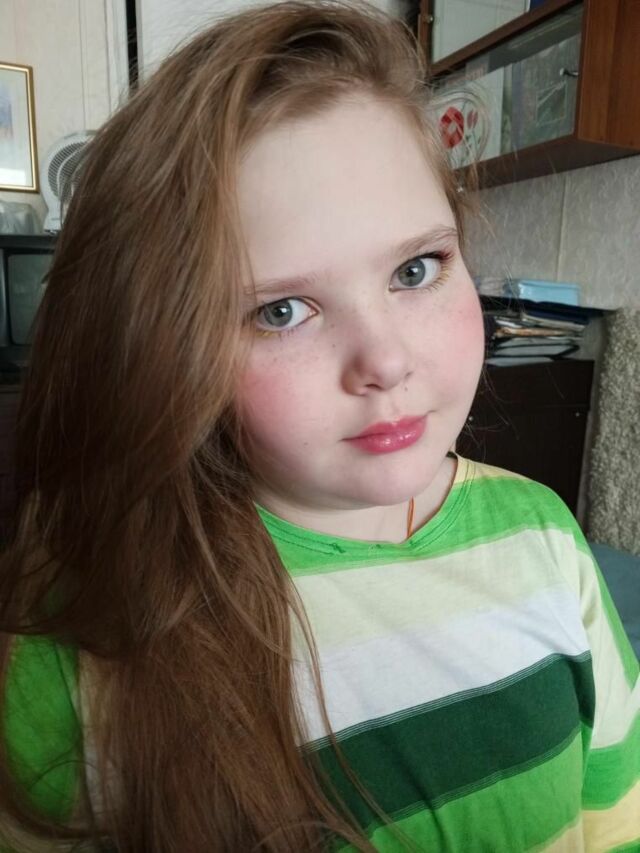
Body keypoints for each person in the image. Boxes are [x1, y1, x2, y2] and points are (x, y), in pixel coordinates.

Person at [0, 1, 638, 850]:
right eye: (283, 310)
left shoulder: (548, 537)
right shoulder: (81, 643)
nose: (386, 360)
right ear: (171, 350)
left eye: (416, 269)